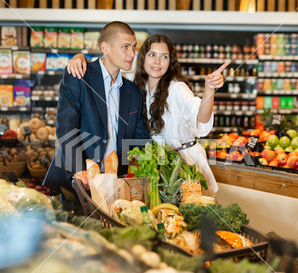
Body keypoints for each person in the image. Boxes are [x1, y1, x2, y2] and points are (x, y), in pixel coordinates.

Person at [67, 34, 227, 193]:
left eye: (164, 57)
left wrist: (209, 90)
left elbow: (201, 118)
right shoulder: (133, 85)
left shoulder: (177, 88)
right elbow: (106, 68)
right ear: (142, 57)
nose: (157, 62)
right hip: (153, 163)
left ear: (170, 61)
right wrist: (80, 58)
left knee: (189, 213)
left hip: (184, 162)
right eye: (152, 55)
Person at [44, 21, 150, 205]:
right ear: (105, 47)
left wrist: (145, 169)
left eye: (133, 47)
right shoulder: (79, 75)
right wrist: (78, 171)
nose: (132, 54)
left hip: (115, 186)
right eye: (125, 47)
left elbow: (139, 137)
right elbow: (66, 127)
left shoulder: (132, 91)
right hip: (80, 183)